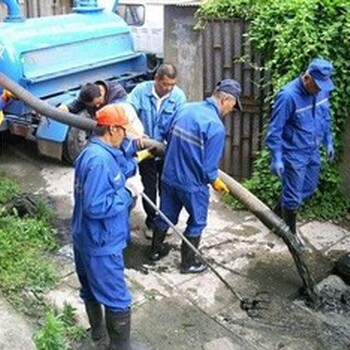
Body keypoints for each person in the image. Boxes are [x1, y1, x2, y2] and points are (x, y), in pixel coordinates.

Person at [71, 104, 147, 349]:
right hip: (101, 243)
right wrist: (127, 194)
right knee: (118, 298)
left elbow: (118, 170)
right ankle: (119, 347)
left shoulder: (95, 152)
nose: (125, 134)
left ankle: (98, 336)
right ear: (112, 129)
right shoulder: (99, 161)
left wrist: (132, 150)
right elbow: (95, 206)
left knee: (91, 290)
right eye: (123, 130)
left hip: (86, 237)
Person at [148, 79, 242, 274]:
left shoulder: (185, 108)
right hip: (192, 185)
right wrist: (215, 181)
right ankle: (188, 263)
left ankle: (155, 251)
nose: (232, 110)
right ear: (225, 99)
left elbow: (164, 131)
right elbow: (208, 168)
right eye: (233, 105)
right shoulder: (215, 127)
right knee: (197, 221)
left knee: (166, 214)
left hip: (169, 176)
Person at [265, 58, 335, 240]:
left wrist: (328, 140)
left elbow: (325, 117)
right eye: (317, 85)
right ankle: (290, 236)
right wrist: (277, 157)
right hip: (294, 153)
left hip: (312, 150)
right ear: (306, 78)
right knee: (293, 195)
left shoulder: (321, 92)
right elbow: (275, 129)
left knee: (309, 187)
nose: (319, 90)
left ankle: (278, 211)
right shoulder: (288, 96)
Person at [128, 63, 186, 238]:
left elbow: (180, 121)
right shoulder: (140, 91)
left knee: (166, 188)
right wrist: (136, 133)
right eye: (165, 84)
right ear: (156, 79)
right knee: (149, 187)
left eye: (172, 85)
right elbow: (128, 113)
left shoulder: (178, 96)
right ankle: (152, 222)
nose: (168, 88)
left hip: (166, 152)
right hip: (145, 151)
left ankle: (164, 221)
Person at [59, 80, 127, 118]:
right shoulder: (88, 94)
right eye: (93, 105)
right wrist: (67, 107)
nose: (98, 106)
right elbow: (78, 104)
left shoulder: (118, 93)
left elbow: (122, 115)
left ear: (101, 92)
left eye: (99, 102)